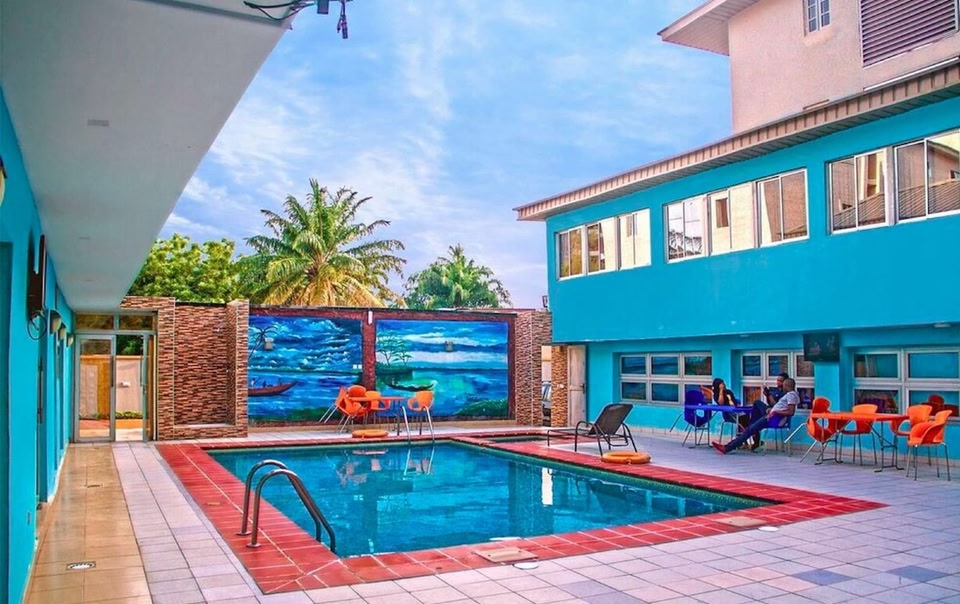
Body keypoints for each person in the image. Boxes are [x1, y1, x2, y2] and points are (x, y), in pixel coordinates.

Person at [712, 377, 799, 454]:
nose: (782, 386)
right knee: (757, 404)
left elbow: (790, 412)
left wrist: (775, 412)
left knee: (748, 431)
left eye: (783, 385)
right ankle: (750, 429)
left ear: (786, 386)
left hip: (773, 418)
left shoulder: (791, 395)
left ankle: (727, 448)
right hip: (771, 416)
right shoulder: (789, 395)